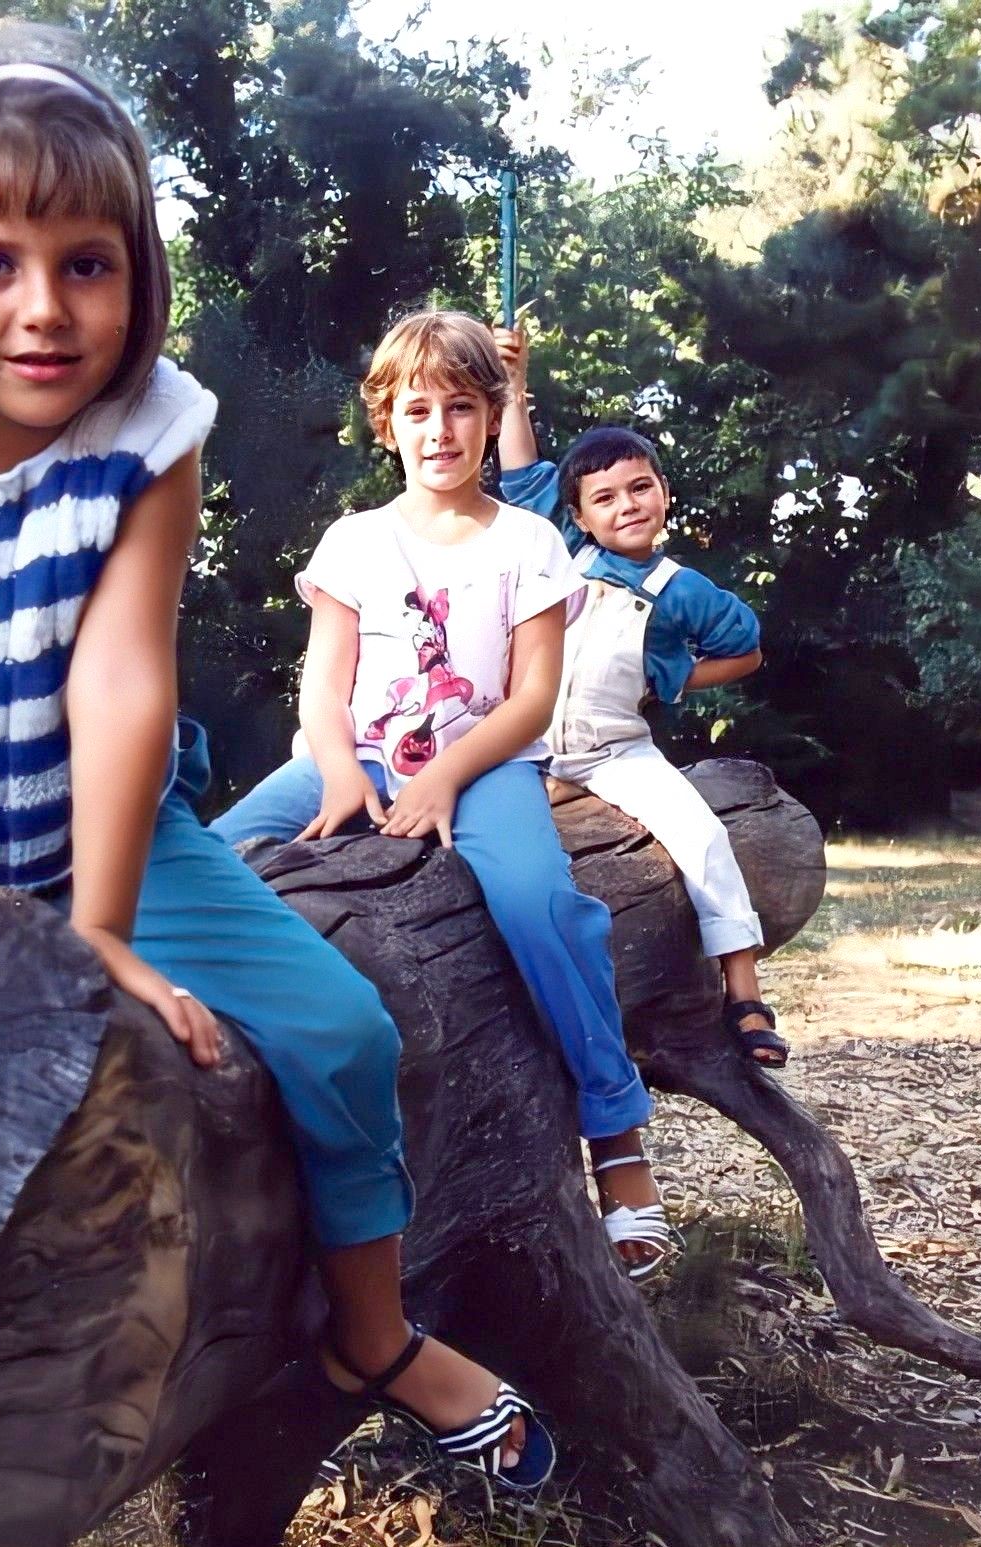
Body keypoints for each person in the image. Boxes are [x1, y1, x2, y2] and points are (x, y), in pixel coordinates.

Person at [0, 55, 553, 1487]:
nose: (41, 306)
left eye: (85, 262)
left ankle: (374, 1333)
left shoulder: (153, 430)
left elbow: (122, 669)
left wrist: (97, 916)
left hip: (92, 826)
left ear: (137, 271)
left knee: (344, 1035)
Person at [212, 311, 676, 1280]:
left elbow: (532, 697)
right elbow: (321, 683)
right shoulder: (353, 540)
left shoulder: (530, 541)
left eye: (460, 407)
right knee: (205, 858)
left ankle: (615, 1130)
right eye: (416, 409)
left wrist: (444, 778)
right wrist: (340, 770)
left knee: (541, 903)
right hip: (358, 754)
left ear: (489, 413)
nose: (439, 430)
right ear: (384, 422)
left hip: (482, 760)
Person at [492, 323, 788, 1067]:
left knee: (702, 837)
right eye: (604, 496)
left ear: (663, 494)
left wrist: (678, 677)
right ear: (580, 512)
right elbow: (521, 465)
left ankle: (743, 994)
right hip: (523, 743)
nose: (624, 504)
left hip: (614, 752)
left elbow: (746, 649)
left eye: (639, 488)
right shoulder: (560, 547)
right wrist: (514, 382)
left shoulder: (680, 590)